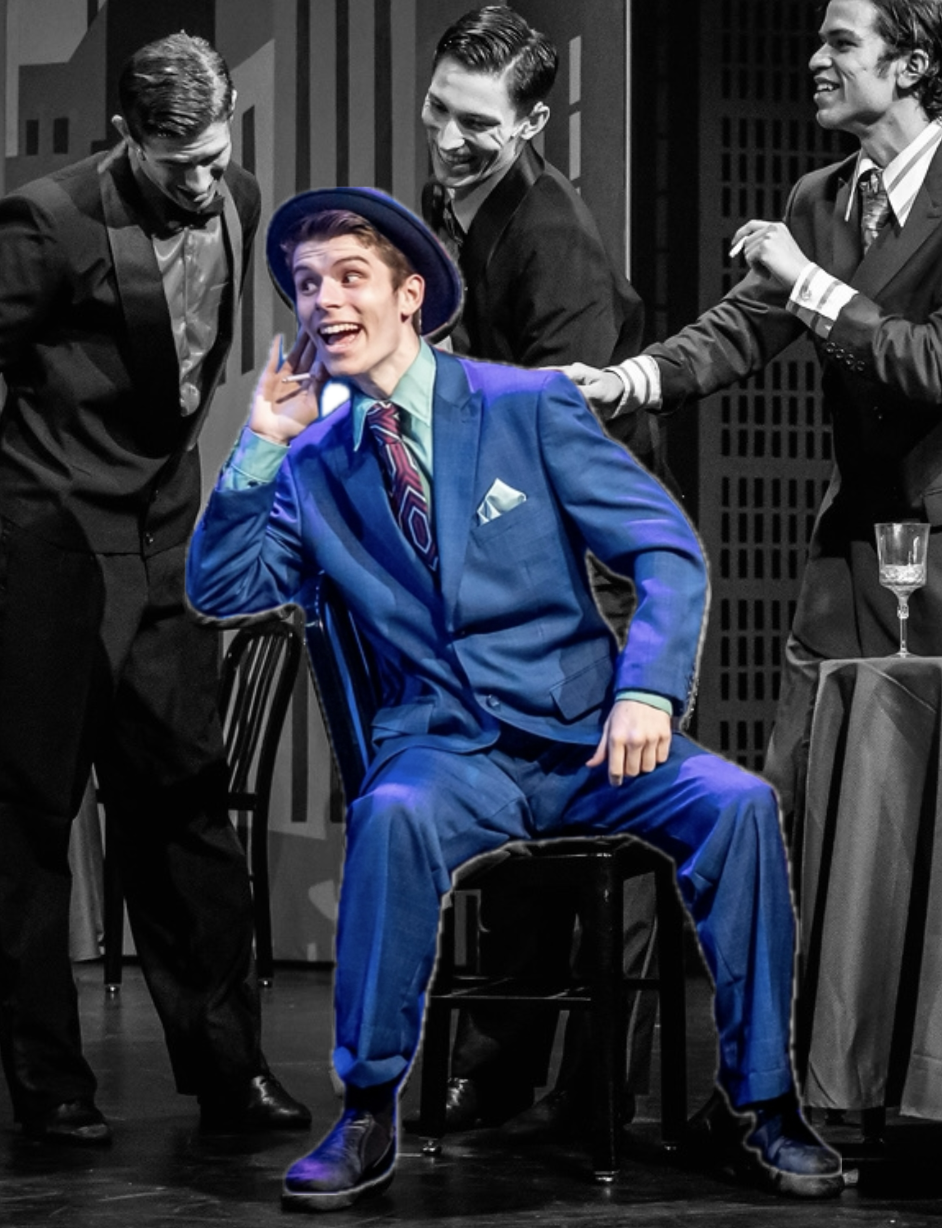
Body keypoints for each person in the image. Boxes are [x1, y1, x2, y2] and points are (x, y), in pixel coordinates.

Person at [184, 188, 841, 1208]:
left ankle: (765, 1103)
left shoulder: (523, 405)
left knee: (742, 805)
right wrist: (261, 442)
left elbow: (665, 550)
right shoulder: (314, 464)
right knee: (391, 814)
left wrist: (648, 689)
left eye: (349, 277)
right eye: (308, 285)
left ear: (409, 293)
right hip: (447, 751)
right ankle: (367, 1109)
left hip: (588, 735)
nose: (324, 301)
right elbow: (223, 588)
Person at [567, 0, 942, 811]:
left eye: (842, 43)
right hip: (852, 551)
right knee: (806, 790)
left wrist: (809, 281)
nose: (815, 61)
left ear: (911, 67)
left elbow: (941, 362)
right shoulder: (819, 196)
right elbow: (742, 326)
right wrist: (628, 380)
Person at [0, 33, 310, 1144]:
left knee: (184, 802)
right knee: (32, 819)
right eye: (181, 164)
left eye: (217, 153)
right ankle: (49, 1081)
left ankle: (230, 1070)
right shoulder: (50, 220)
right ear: (127, 136)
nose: (205, 179)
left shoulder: (241, 197)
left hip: (165, 533)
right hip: (51, 541)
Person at [419, 2, 666, 1139]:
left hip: (590, 561)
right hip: (518, 555)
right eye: (438, 109)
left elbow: (567, 432)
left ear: (531, 122)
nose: (449, 138)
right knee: (516, 817)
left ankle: (594, 1086)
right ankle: (505, 1063)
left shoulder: (550, 233)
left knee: (593, 822)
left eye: (477, 123)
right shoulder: (450, 205)